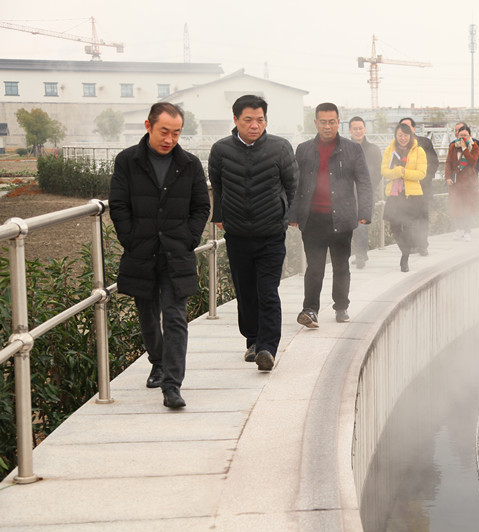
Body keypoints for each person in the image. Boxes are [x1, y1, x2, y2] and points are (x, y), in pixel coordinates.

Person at [109, 102, 210, 409]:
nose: (170, 139)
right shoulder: (127, 161)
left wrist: (189, 238)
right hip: (142, 250)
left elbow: (201, 207)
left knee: (176, 316)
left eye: (176, 133)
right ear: (148, 126)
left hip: (176, 251)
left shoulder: (190, 164)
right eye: (164, 131)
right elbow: (119, 204)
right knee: (148, 312)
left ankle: (172, 384)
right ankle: (158, 361)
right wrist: (130, 239)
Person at [208, 95, 298, 372]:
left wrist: (286, 216)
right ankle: (252, 340)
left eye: (260, 120)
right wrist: (219, 216)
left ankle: (267, 348)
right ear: (236, 120)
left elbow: (292, 185)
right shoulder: (221, 150)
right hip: (237, 234)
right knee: (246, 292)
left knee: (267, 291)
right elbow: (218, 186)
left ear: (266, 121)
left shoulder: (280, 148)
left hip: (271, 234)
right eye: (248, 120)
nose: (254, 125)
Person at [290, 102, 372, 327]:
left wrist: (364, 212)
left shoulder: (352, 149)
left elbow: (364, 182)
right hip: (313, 218)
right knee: (314, 267)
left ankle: (341, 306)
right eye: (323, 122)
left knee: (341, 266)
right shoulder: (304, 149)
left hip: (342, 217)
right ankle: (310, 310)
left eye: (332, 122)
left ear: (338, 123)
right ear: (316, 123)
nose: (327, 126)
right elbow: (295, 184)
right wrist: (293, 214)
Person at [381, 122, 427, 272]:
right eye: (400, 135)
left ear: (411, 135)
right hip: (394, 194)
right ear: (396, 135)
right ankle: (405, 249)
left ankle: (405, 258)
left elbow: (421, 173)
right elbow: (384, 171)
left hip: (411, 195)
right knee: (394, 226)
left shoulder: (418, 151)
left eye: (406, 135)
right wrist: (396, 172)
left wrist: (404, 173)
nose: (403, 138)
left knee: (407, 226)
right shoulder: (390, 150)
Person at [399, 117, 438, 255]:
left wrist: (423, 178)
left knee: (422, 217)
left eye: (407, 126)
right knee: (407, 218)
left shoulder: (424, 142)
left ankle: (422, 245)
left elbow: (433, 162)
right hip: (405, 188)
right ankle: (410, 245)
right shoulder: (397, 145)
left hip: (423, 187)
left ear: (414, 129)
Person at [348, 116, 383, 269]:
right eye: (355, 128)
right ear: (350, 130)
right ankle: (361, 253)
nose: (358, 131)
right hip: (348, 194)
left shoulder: (373, 149)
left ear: (365, 129)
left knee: (361, 225)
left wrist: (369, 186)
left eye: (360, 128)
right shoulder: (344, 148)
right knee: (352, 227)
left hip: (366, 194)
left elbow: (379, 171)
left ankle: (361, 256)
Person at [444, 124, 479, 240]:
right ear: (457, 135)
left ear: (470, 136)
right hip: (456, 181)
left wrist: (465, 149)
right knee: (457, 205)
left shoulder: (474, 146)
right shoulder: (453, 146)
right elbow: (448, 162)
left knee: (468, 206)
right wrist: (447, 177)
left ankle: (467, 230)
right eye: (461, 135)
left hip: (469, 182)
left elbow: (473, 161)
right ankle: (458, 228)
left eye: (465, 135)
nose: (463, 138)